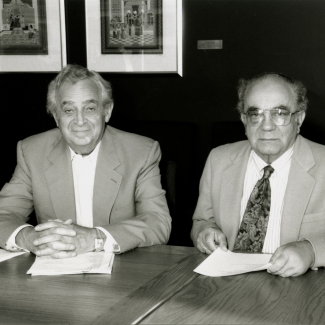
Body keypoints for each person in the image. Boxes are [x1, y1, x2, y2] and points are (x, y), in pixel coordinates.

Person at [0, 64, 171, 258]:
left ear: (106, 111)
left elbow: (158, 222)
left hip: (122, 271)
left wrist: (95, 238)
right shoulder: (32, 152)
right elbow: (4, 214)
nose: (80, 121)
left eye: (89, 108)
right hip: (54, 272)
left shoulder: (141, 152)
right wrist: (29, 238)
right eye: (69, 111)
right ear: (56, 117)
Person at [191, 72, 325, 277]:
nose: (267, 126)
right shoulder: (219, 160)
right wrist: (204, 232)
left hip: (301, 290)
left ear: (299, 119)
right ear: (244, 120)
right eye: (256, 114)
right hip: (227, 285)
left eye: (280, 113)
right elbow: (201, 221)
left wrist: (310, 250)